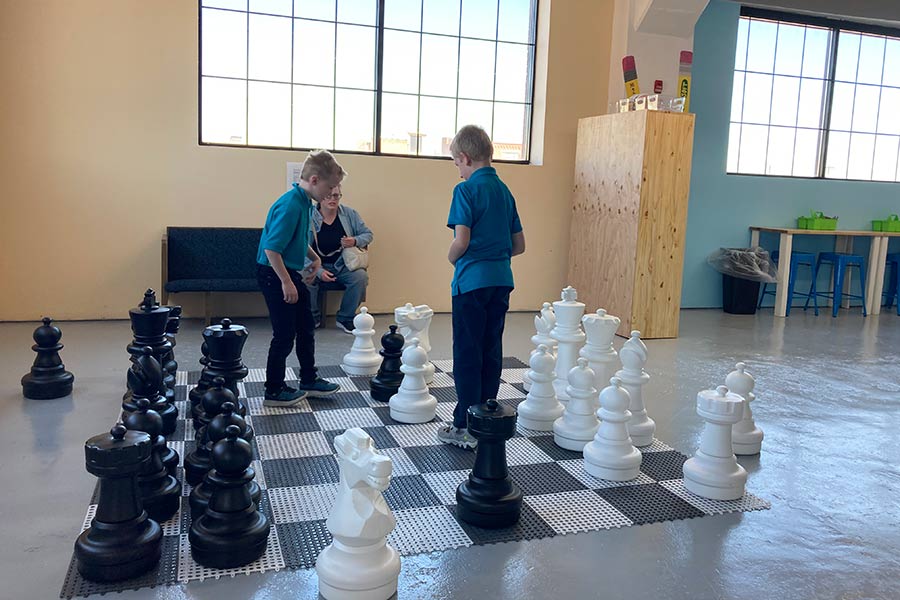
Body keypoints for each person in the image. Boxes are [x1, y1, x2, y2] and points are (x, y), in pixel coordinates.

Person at [437, 125, 526, 449]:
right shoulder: (504, 191)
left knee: (467, 353)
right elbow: (519, 245)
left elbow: (461, 240)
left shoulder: (465, 191)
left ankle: (464, 425)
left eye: (457, 164)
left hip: (471, 283)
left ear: (464, 157)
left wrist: (452, 258)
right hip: (501, 280)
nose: (458, 171)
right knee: (491, 349)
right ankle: (486, 418)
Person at [256, 150, 344, 407]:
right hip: (273, 273)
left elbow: (295, 240)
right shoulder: (291, 205)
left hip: (287, 271)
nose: (331, 193)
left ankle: (308, 379)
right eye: (329, 187)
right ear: (315, 180)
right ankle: (274, 389)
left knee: (306, 327)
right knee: (284, 334)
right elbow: (272, 249)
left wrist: (315, 258)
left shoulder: (305, 202)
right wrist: (286, 282)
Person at [306, 185, 373, 333]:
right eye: (328, 196)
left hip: (343, 265)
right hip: (314, 265)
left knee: (360, 277)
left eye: (336, 196)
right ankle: (312, 316)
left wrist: (354, 240)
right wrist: (319, 271)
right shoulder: (308, 215)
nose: (333, 199)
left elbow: (368, 235)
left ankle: (345, 318)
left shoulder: (349, 214)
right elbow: (301, 247)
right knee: (305, 277)